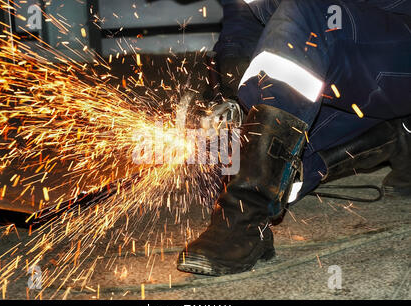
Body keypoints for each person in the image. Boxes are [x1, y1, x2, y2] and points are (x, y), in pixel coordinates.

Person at [176, 0, 411, 276]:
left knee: (306, 14)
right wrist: (233, 80)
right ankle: (393, 136)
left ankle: (244, 218)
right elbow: (241, 23)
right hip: (344, 66)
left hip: (395, 47)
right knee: (246, 163)